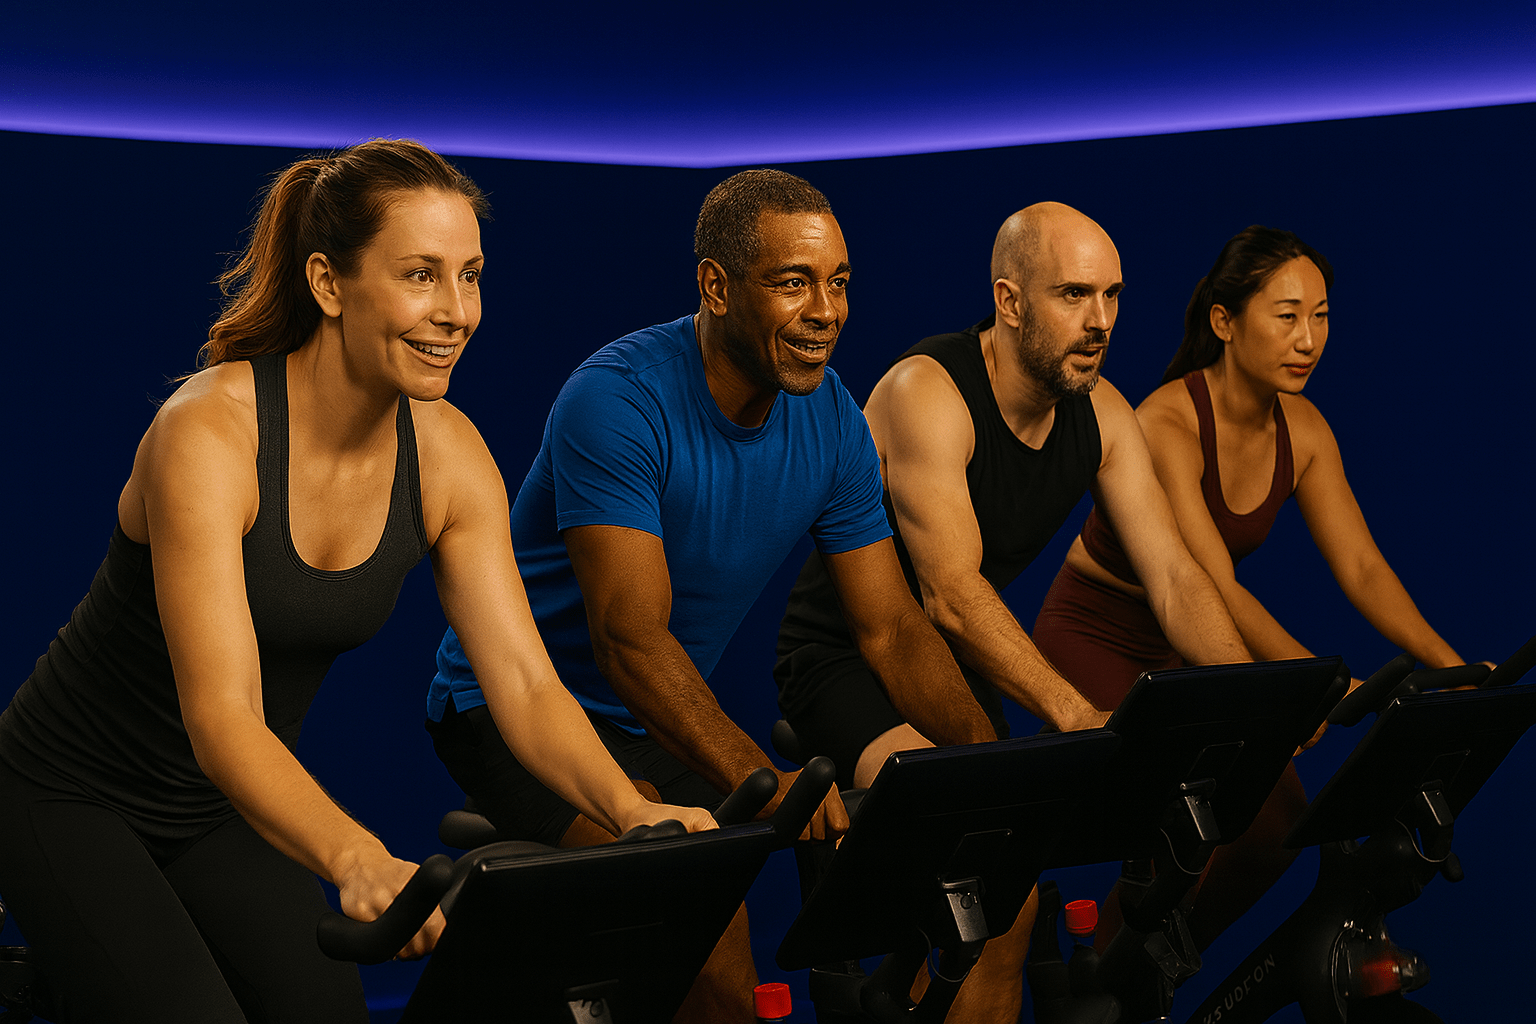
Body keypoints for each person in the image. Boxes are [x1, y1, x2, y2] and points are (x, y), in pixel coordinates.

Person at [0, 139, 710, 1024]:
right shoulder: (209, 434)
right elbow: (223, 718)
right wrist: (355, 857)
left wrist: (630, 811)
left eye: (471, 276)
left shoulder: (449, 456)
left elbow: (524, 685)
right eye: (420, 275)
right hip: (66, 794)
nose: (457, 312)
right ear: (328, 284)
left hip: (218, 808)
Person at [426, 168, 998, 1022]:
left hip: (643, 720)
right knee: (710, 937)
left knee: (976, 898)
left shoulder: (833, 420)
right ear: (717, 287)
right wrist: (770, 782)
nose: (827, 311)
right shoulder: (618, 401)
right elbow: (631, 642)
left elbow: (890, 627)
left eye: (839, 282)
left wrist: (989, 767)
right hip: (507, 709)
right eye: (794, 282)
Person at [773, 201, 1255, 1018]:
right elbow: (952, 594)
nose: (1100, 321)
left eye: (1111, 295)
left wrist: (1248, 704)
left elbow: (1173, 574)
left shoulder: (1104, 416)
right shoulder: (927, 392)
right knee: (978, 882)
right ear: (1010, 301)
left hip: (952, 664)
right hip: (842, 658)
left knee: (1006, 907)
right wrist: (1074, 713)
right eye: (1073, 295)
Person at [1031, 223, 1480, 949]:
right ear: (1224, 322)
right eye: (1287, 316)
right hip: (1097, 632)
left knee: (1271, 827)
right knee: (1179, 810)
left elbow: (1362, 567)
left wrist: (1452, 669)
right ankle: (1111, 972)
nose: (1308, 339)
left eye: (1321, 316)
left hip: (1192, 643)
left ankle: (1157, 966)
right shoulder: (1167, 422)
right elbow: (1214, 584)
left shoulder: (1304, 430)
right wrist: (1316, 685)